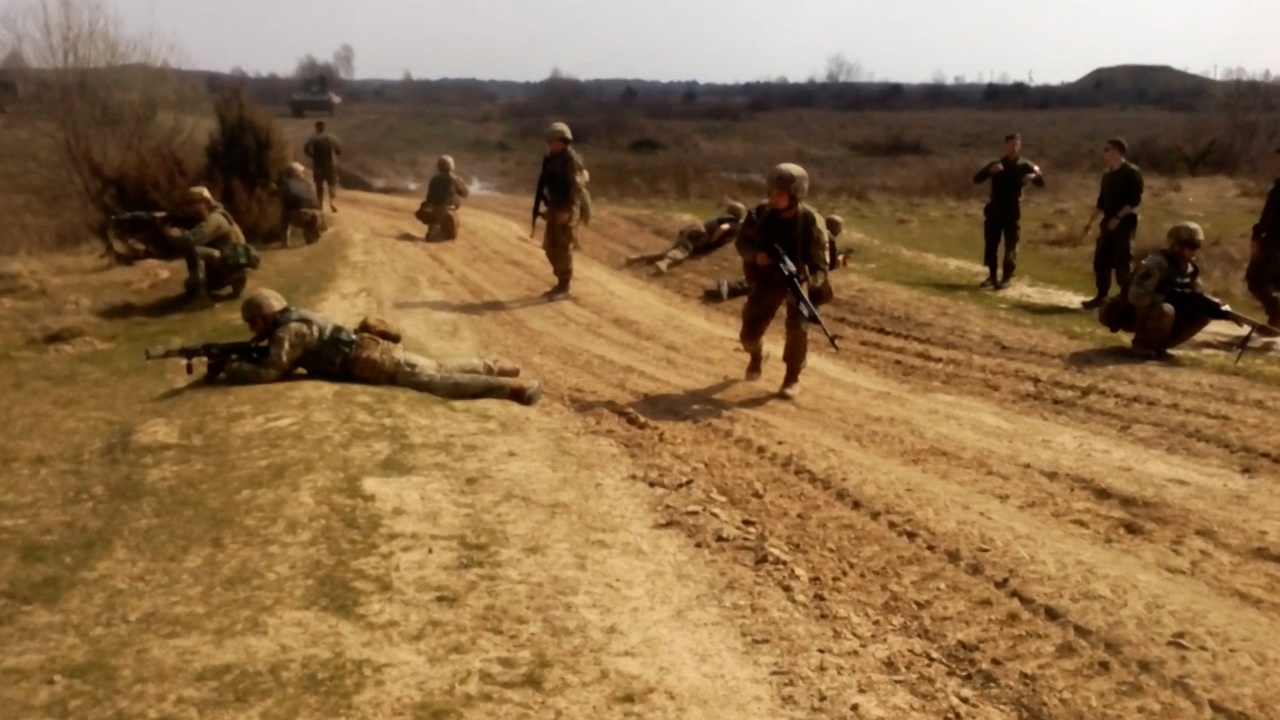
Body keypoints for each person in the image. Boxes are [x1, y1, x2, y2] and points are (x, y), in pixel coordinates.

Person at [214, 289, 543, 405]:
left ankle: (513, 388)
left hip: (374, 361)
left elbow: (271, 371)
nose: (252, 329)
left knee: (439, 383)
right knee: (438, 368)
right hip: (376, 350)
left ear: (264, 316)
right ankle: (495, 366)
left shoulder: (289, 333)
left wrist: (231, 369)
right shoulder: (296, 319)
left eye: (253, 322)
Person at [735, 163, 830, 399]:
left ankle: (791, 378)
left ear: (795, 195)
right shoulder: (759, 214)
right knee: (748, 333)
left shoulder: (811, 221)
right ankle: (757, 355)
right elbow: (742, 243)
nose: (773, 198)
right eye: (771, 193)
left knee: (798, 328)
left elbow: (821, 263)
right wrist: (756, 256)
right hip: (767, 278)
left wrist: (809, 284)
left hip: (798, 280)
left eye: (780, 194)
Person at [1100, 222, 1221, 359]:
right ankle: (1142, 344)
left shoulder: (1190, 269)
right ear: (1177, 246)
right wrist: (1170, 298)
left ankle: (1159, 345)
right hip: (1131, 313)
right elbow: (1137, 297)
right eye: (1192, 246)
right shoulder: (1156, 264)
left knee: (1205, 312)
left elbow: (1197, 295)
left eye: (1198, 246)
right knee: (1165, 310)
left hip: (1159, 313)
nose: (1195, 251)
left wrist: (1216, 307)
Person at [706, 214, 849, 303]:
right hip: (799, 271)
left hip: (792, 265)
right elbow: (825, 264)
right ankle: (730, 287)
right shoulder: (828, 239)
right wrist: (840, 261)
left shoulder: (814, 231)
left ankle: (731, 287)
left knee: (763, 283)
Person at [972, 133, 1045, 289]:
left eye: (1016, 144)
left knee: (1011, 244)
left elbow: (1041, 181)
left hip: (1013, 210)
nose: (1013, 148)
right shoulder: (997, 163)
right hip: (995, 209)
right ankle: (992, 276)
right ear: (1005, 146)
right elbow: (977, 179)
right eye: (1011, 144)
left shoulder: (1025, 165)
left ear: (1019, 146)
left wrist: (1032, 176)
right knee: (992, 243)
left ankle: (1006, 277)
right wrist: (990, 171)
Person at [164, 186, 258, 306]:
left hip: (230, 264)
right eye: (190, 204)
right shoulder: (221, 215)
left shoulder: (214, 219)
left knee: (195, 252)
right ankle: (237, 285)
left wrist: (171, 232)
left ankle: (202, 298)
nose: (191, 207)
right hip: (236, 262)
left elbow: (192, 239)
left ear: (205, 202)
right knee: (189, 285)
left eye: (194, 203)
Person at [1082, 138, 1144, 309]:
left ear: (1117, 151)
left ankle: (1126, 300)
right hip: (1107, 221)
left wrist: (1118, 218)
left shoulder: (1131, 172)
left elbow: (1135, 201)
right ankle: (1101, 296)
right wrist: (1090, 222)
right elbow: (1101, 201)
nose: (1105, 153)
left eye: (1107, 149)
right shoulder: (1108, 174)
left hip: (1125, 222)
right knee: (1101, 260)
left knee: (1122, 261)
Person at [531, 122, 589, 300]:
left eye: (554, 141)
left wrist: (567, 211)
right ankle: (560, 282)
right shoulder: (552, 159)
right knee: (549, 247)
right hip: (555, 206)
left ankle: (564, 286)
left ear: (563, 141)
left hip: (567, 207)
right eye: (549, 141)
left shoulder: (571, 160)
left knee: (562, 248)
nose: (550, 144)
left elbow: (576, 188)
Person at [626, 202, 747, 274]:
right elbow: (723, 228)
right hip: (700, 236)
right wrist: (712, 241)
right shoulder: (732, 222)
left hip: (693, 230)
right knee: (683, 252)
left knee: (669, 251)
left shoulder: (721, 217)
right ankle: (664, 263)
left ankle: (637, 258)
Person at [1245, 146, 1280, 334]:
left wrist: (1257, 237)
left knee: (1257, 279)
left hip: (1274, 242)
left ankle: (1276, 319)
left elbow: (1268, 217)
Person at [415, 155, 470, 241]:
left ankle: (434, 227)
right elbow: (465, 193)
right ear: (452, 166)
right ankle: (437, 231)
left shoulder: (434, 179)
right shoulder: (455, 179)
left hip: (430, 208)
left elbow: (429, 196)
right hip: (447, 209)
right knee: (451, 236)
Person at [272, 162, 326, 246]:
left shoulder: (286, 185)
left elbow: (277, 194)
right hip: (319, 216)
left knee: (285, 211)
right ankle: (312, 235)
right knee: (307, 215)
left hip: (301, 216)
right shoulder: (310, 183)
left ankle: (284, 243)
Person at [303, 120, 341, 213]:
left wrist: (314, 156)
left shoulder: (313, 139)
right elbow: (339, 151)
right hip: (331, 165)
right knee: (332, 184)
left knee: (319, 186)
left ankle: (319, 206)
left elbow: (306, 150)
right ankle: (332, 202)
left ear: (316, 128)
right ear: (324, 127)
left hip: (318, 166)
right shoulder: (332, 138)